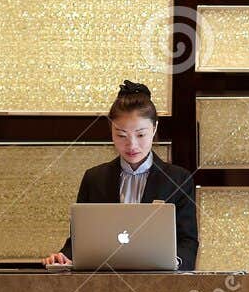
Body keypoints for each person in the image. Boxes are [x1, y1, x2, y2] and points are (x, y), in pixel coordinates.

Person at [43, 80, 199, 270]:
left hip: (157, 281)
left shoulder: (179, 180)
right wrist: (63, 257)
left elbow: (188, 241)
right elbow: (80, 239)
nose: (132, 145)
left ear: (155, 128)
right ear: (111, 131)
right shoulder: (94, 178)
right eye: (122, 135)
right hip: (103, 281)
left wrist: (172, 262)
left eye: (140, 135)